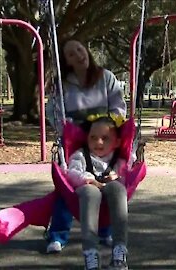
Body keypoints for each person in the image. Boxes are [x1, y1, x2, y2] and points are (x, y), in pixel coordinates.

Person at [46, 38, 127, 253]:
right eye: (71, 54)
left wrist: (105, 125)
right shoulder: (62, 84)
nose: (79, 55)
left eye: (80, 49)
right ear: (67, 61)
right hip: (75, 138)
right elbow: (52, 111)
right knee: (68, 187)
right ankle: (58, 235)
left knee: (105, 180)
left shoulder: (105, 77)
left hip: (103, 137)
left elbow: (119, 108)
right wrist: (68, 128)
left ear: (87, 50)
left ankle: (105, 231)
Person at [67, 116, 129, 270]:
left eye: (105, 138)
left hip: (110, 188)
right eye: (93, 138)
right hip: (87, 188)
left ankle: (119, 253)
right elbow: (72, 172)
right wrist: (88, 179)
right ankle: (91, 253)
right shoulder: (81, 156)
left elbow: (129, 173)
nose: (98, 142)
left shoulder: (118, 160)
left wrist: (116, 176)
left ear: (117, 142)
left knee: (119, 188)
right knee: (91, 193)